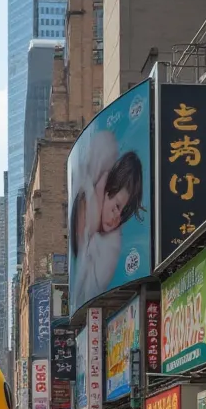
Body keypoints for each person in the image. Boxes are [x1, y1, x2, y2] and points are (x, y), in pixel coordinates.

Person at [69, 129, 146, 309]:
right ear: (106, 187)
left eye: (122, 215)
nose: (116, 218)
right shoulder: (88, 181)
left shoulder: (108, 250)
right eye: (117, 207)